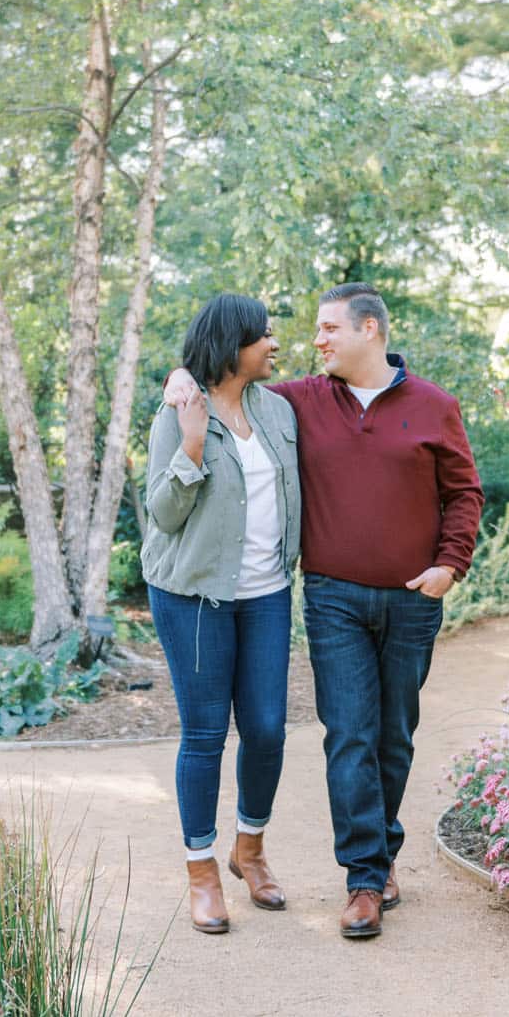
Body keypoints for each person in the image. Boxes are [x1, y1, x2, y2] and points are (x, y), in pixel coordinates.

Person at [167, 281, 482, 940]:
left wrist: (450, 564)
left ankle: (376, 851)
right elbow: (220, 386)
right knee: (348, 734)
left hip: (409, 599)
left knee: (391, 735)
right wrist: (181, 376)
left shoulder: (432, 406)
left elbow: (463, 492)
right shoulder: (302, 400)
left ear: (370, 329)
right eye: (311, 330)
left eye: (329, 328)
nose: (314, 341)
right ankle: (364, 881)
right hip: (331, 597)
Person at [142, 293, 302, 934]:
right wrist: (191, 444)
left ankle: (250, 850)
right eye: (264, 336)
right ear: (232, 345)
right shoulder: (179, 414)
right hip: (194, 596)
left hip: (266, 593)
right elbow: (163, 514)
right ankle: (201, 872)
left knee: (266, 730)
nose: (274, 345)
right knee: (206, 734)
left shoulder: (281, 410)